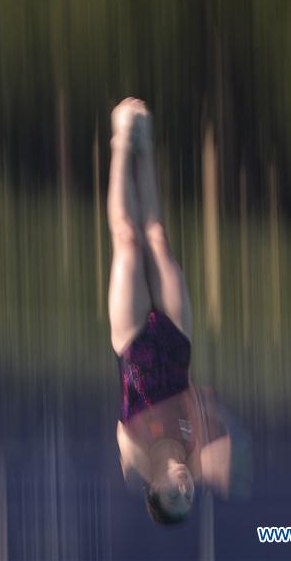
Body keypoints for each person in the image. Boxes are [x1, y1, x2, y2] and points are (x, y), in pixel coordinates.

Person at [107, 98, 247, 524]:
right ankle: (143, 146)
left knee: (128, 240)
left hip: (133, 342)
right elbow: (202, 399)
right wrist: (214, 434)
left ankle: (119, 142)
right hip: (175, 341)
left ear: (156, 490)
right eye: (187, 497)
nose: (184, 488)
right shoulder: (195, 453)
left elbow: (125, 430)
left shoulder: (137, 463)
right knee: (157, 237)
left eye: (173, 496)